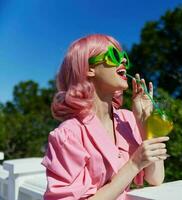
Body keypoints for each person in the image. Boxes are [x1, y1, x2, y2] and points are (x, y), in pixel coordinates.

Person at [41, 34, 170, 200]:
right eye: (114, 56)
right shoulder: (69, 134)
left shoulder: (128, 119)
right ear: (88, 68)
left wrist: (145, 124)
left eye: (124, 57)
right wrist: (134, 164)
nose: (123, 61)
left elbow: (155, 178)